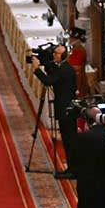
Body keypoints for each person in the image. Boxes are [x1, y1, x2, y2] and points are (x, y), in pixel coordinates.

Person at [28, 44, 77, 177]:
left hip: (66, 110)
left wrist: (37, 69)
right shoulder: (61, 67)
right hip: (65, 108)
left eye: (57, 53)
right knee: (67, 139)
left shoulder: (65, 70)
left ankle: (73, 170)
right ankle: (72, 169)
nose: (54, 55)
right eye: (54, 53)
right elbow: (52, 71)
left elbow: (49, 81)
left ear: (64, 56)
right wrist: (44, 61)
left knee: (69, 140)